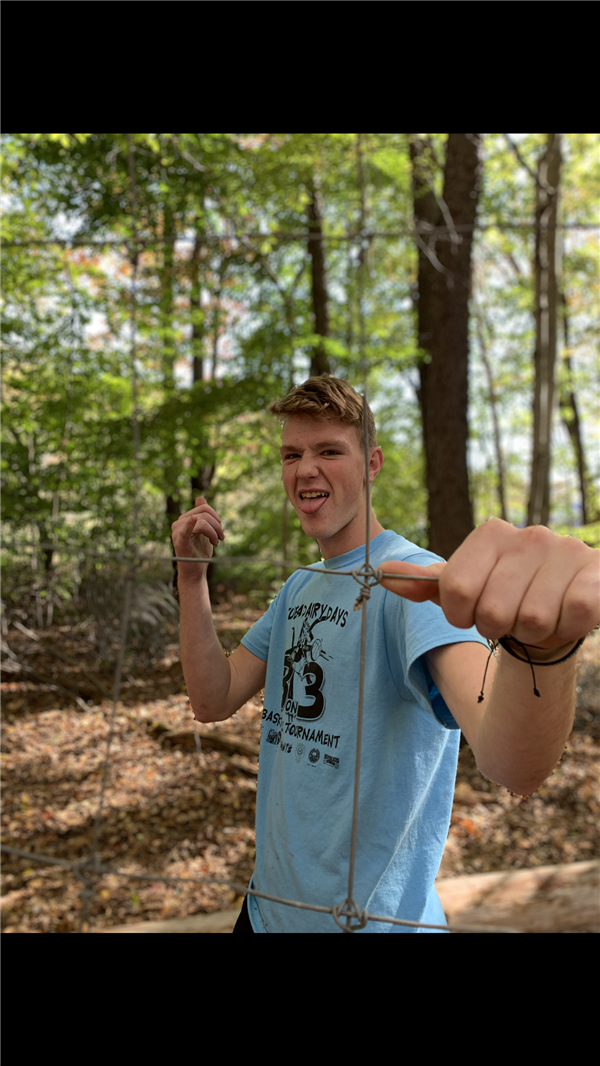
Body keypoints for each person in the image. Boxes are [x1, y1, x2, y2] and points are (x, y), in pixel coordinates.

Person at [171, 376, 599, 933]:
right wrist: (191, 577)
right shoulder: (301, 586)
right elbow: (212, 697)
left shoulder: (409, 580)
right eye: (291, 454)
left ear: (371, 464)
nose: (305, 469)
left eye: (329, 451)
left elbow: (511, 762)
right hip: (263, 913)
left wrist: (543, 649)